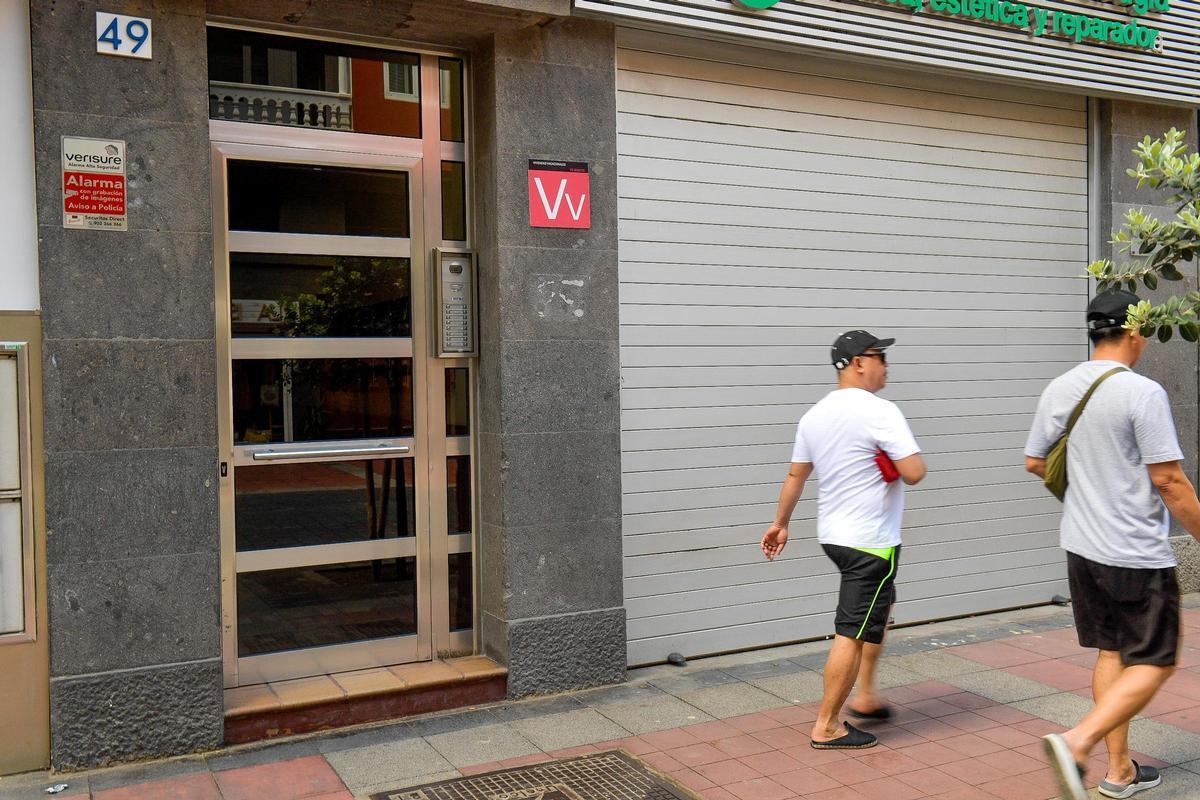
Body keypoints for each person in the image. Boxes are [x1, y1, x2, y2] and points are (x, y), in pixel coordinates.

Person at [1025, 289, 1200, 800]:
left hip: (1082, 547)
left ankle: (1119, 771)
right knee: (1156, 660)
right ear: (1134, 331)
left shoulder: (1061, 388)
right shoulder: (1141, 393)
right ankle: (1077, 742)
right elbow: (1169, 481)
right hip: (1133, 552)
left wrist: (1090, 486)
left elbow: (1036, 462)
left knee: (1113, 652)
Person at [761, 330, 926, 749]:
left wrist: (780, 522)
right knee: (851, 631)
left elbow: (796, 475)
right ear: (857, 362)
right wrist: (890, 457)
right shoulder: (880, 411)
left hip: (834, 536)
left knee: (881, 608)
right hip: (870, 542)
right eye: (880, 357)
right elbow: (915, 471)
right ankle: (828, 724)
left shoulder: (814, 416)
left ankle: (867, 696)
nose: (886, 365)